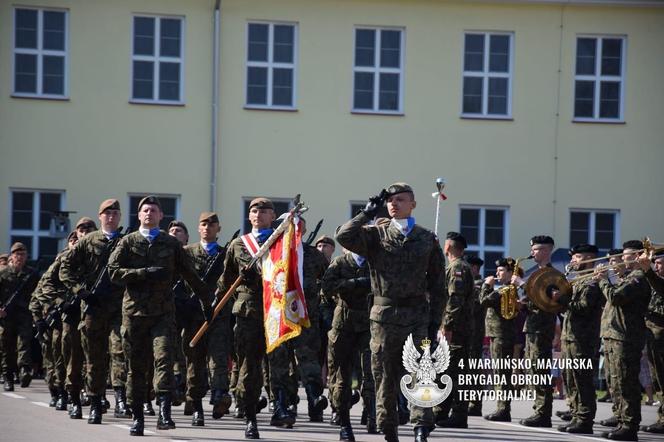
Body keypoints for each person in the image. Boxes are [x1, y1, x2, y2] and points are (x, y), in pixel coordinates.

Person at [336, 182, 446, 442]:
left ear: (413, 204)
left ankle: (421, 425)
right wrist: (366, 213)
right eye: (390, 201)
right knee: (384, 374)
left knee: (422, 373)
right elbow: (343, 236)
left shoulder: (426, 238)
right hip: (383, 316)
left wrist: (435, 321)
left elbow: (438, 285)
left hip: (417, 315)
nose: (393, 204)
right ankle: (389, 427)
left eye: (400, 199)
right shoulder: (376, 234)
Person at [108, 196, 212, 436]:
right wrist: (141, 273)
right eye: (145, 210)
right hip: (134, 314)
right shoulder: (127, 242)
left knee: (163, 359)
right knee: (136, 367)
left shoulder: (170, 243)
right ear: (139, 214)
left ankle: (164, 412)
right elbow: (113, 273)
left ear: (160, 216)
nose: (149, 214)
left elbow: (190, 274)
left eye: (153, 210)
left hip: (163, 313)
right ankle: (137, 417)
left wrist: (207, 301)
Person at [60, 199, 130, 424]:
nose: (111, 217)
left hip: (119, 307)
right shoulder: (88, 241)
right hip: (93, 308)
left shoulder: (126, 242)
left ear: (120, 217)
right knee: (94, 358)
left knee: (119, 351)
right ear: (100, 216)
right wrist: (81, 291)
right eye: (107, 213)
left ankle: (120, 399)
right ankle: (95, 401)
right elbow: (65, 269)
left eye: (115, 213)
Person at [217, 197, 276, 439]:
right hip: (248, 314)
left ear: (273, 216)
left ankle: (283, 406)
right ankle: (250, 416)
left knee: (280, 366)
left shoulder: (282, 243)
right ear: (249, 216)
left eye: (264, 210)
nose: (258, 214)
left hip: (277, 311)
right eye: (254, 210)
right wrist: (213, 305)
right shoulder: (238, 245)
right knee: (249, 367)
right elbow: (226, 280)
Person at [596, 240, 652, 441]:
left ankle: (630, 425)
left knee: (626, 382)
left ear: (637, 257)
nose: (622, 259)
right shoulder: (626, 277)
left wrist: (602, 279)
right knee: (615, 381)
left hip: (626, 337)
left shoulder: (639, 278)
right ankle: (621, 420)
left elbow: (616, 297)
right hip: (614, 336)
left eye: (627, 256)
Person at [182, 212, 232, 425]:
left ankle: (219, 395)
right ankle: (197, 406)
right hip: (193, 316)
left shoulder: (226, 254)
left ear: (218, 228)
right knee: (195, 363)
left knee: (219, 359)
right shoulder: (186, 252)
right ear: (198, 227)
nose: (208, 227)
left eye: (212, 224)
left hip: (218, 315)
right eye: (204, 224)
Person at [321, 247, 376, 440]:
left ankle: (371, 414)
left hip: (369, 322)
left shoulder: (375, 262)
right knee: (342, 375)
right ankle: (344, 421)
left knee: (371, 372)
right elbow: (326, 288)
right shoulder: (340, 263)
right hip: (344, 323)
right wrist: (354, 284)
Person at [554, 244, 604, 434]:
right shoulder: (578, 280)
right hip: (571, 337)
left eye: (577, 257)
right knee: (571, 378)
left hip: (582, 339)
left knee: (582, 380)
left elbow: (583, 308)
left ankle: (585, 419)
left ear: (589, 257)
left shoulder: (592, 282)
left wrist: (562, 299)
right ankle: (576, 415)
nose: (573, 260)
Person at [513, 235, 556, 427]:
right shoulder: (536, 273)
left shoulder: (551, 274)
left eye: (537, 249)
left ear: (547, 251)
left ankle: (543, 413)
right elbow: (533, 300)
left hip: (542, 329)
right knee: (533, 370)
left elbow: (543, 298)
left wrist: (521, 284)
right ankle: (539, 410)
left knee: (540, 370)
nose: (532, 253)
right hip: (532, 327)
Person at [436, 232, 474, 429]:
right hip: (457, 327)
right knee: (449, 370)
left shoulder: (458, 267)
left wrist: (447, 325)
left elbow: (455, 299)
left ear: (449, 246)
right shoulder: (454, 266)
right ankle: (442, 411)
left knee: (457, 372)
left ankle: (459, 414)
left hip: (457, 329)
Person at [480, 258, 518, 422]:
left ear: (510, 273)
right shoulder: (505, 288)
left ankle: (503, 409)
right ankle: (502, 408)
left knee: (502, 373)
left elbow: (483, 301)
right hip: (499, 334)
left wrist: (486, 285)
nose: (497, 273)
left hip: (502, 335)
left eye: (501, 270)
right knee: (500, 372)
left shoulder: (505, 289)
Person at [0, 242, 40, 391]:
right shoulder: (3, 274)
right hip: (6, 316)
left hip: (24, 315)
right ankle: (8, 377)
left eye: (22, 255)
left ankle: (24, 370)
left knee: (24, 343)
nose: (20, 257)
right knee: (6, 347)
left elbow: (38, 292)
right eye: (17, 254)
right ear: (12, 256)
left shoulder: (31, 274)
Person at [637, 252, 664, 434]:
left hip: (661, 334)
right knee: (657, 379)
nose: (658, 266)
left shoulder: (658, 281)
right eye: (656, 263)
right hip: (652, 335)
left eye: (661, 263)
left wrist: (647, 271)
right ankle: (662, 417)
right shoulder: (655, 280)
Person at [466, 255, 485, 416]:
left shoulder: (479, 285)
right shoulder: (471, 284)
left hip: (474, 332)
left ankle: (474, 403)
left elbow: (476, 305)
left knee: (473, 369)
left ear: (474, 268)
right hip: (467, 330)